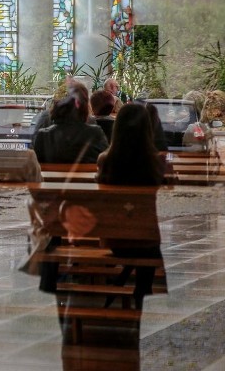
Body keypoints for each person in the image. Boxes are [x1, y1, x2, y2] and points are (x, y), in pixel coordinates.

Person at [96, 103, 166, 310]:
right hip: (146, 239)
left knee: (139, 244)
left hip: (114, 237)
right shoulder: (155, 162)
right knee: (150, 249)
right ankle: (143, 291)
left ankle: (119, 284)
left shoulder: (105, 160)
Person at [32, 80, 108, 164]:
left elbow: (36, 165)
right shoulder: (95, 133)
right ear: (85, 105)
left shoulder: (43, 135)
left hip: (51, 177)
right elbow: (105, 163)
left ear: (57, 104)